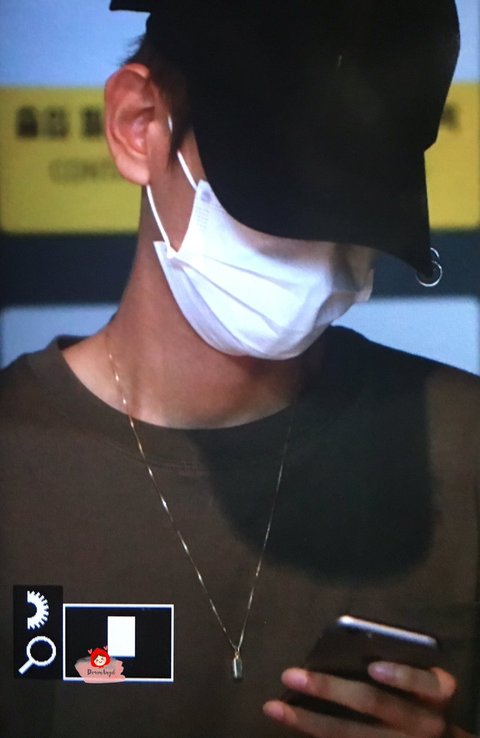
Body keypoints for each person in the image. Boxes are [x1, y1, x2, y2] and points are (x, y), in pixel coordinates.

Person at [1, 1, 478, 737]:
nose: (323, 260)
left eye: (360, 214)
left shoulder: (465, 444)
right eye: (283, 203)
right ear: (139, 125)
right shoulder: (17, 465)